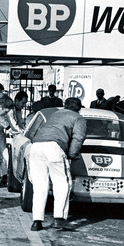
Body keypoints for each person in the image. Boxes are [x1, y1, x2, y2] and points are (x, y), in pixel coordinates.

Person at [29, 98, 87, 231]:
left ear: (65, 106)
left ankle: (37, 221)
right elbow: (78, 137)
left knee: (40, 186)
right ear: (79, 108)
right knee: (63, 183)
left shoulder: (55, 114)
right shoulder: (79, 118)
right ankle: (59, 218)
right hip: (54, 147)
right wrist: (72, 154)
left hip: (36, 146)